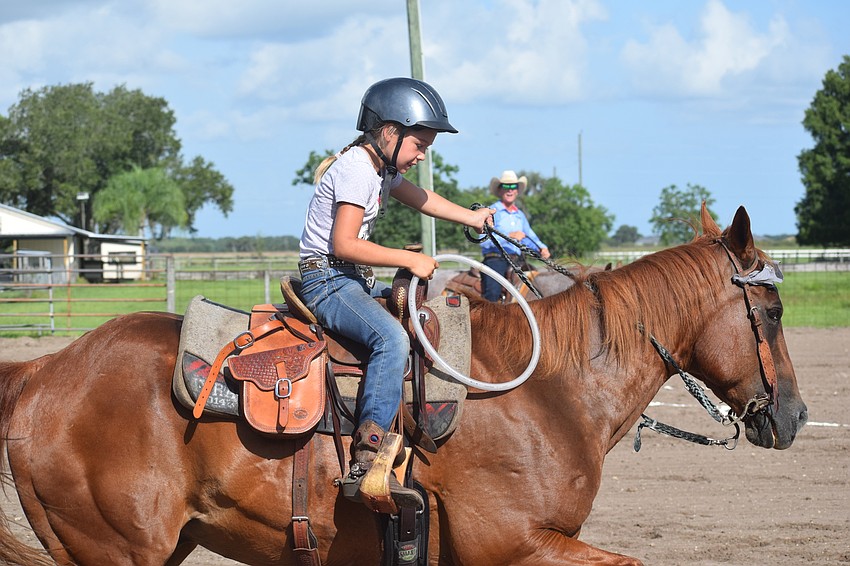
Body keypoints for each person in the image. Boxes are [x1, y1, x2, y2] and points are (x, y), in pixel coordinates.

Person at [297, 77, 493, 511]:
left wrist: (473, 218)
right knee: (392, 338)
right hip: (328, 280)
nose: (422, 155)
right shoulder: (355, 170)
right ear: (389, 132)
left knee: (419, 312)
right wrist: (407, 261)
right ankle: (366, 454)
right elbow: (343, 244)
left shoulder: (381, 170)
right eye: (419, 144)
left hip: (349, 279)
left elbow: (423, 199)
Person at [479, 170, 550, 303]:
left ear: (517, 191)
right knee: (492, 295)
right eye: (506, 186)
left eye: (513, 187)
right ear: (499, 190)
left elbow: (530, 236)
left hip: (518, 260)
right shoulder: (492, 211)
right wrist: (509, 236)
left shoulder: (520, 215)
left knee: (537, 286)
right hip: (496, 259)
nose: (510, 190)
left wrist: (541, 248)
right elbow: (484, 241)